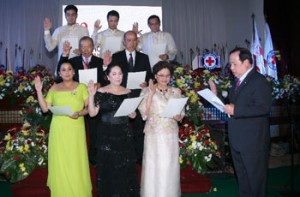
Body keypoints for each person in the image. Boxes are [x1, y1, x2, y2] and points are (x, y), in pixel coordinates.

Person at [210, 47, 272, 197]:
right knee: (243, 179)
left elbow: (263, 108)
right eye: (230, 64)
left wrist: (236, 110)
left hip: (253, 141)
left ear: (246, 62)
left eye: (234, 64)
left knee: (255, 181)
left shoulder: (259, 81)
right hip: (237, 139)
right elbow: (229, 106)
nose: (231, 68)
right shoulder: (237, 82)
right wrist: (215, 96)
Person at [34, 62, 92, 196]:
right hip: (58, 129)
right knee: (60, 161)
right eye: (63, 70)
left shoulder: (82, 87)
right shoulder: (54, 88)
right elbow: (45, 109)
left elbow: (89, 108)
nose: (66, 72)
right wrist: (38, 91)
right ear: (59, 73)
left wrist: (79, 113)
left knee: (76, 161)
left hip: (75, 129)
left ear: (73, 72)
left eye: (69, 69)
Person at [88, 63, 140, 196]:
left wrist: (132, 114)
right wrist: (91, 95)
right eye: (114, 74)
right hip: (106, 135)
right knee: (109, 169)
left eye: (120, 73)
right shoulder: (101, 91)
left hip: (124, 134)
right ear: (108, 76)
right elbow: (92, 113)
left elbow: (132, 114)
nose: (118, 77)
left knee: (124, 169)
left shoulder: (128, 91)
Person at [58, 36, 110, 165]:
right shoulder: (73, 61)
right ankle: (76, 156)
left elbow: (106, 79)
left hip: (94, 100)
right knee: (78, 129)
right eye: (83, 47)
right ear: (79, 48)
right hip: (77, 100)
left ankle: (93, 157)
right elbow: (60, 75)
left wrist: (100, 84)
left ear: (93, 47)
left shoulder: (100, 61)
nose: (86, 49)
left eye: (89, 47)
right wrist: (64, 55)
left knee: (94, 130)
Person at [138, 61, 185, 197]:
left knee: (170, 167)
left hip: (170, 134)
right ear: (155, 76)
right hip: (154, 134)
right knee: (154, 167)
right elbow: (144, 115)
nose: (165, 79)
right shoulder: (146, 91)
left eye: (168, 76)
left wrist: (178, 116)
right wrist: (151, 94)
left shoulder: (176, 91)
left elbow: (181, 114)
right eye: (161, 75)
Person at [111, 30, 153, 164]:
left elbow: (150, 76)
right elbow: (111, 75)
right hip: (120, 96)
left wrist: (146, 82)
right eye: (128, 40)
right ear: (124, 42)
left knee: (139, 128)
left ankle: (139, 157)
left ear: (137, 41)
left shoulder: (144, 57)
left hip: (139, 97)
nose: (131, 42)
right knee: (120, 129)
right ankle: (121, 157)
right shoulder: (116, 56)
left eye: (134, 40)